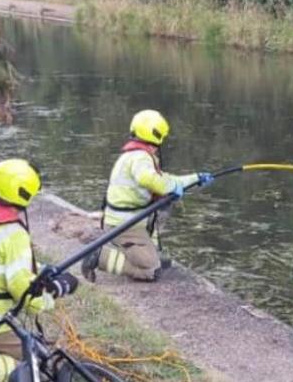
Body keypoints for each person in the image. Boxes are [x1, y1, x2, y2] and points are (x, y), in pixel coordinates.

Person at [0, 159, 79, 382]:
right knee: (40, 362)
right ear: (24, 193)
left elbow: (5, 264)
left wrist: (41, 270)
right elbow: (25, 295)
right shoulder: (13, 233)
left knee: (34, 346)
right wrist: (54, 292)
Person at [80, 109, 213, 282]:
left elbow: (164, 179)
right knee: (152, 271)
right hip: (125, 225)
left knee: (161, 212)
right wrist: (171, 187)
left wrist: (195, 178)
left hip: (129, 221)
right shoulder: (141, 158)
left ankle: (146, 252)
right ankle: (100, 257)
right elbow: (151, 180)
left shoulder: (134, 155)